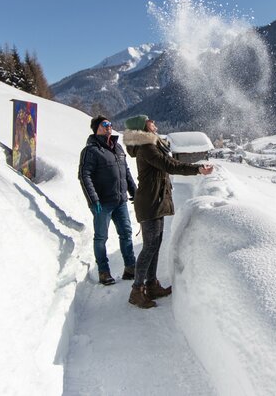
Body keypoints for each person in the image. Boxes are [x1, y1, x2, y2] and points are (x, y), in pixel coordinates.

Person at [123, 115, 214, 309]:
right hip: (150, 202)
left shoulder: (153, 145)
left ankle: (151, 284)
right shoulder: (147, 147)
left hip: (155, 200)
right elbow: (170, 165)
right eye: (149, 121)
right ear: (143, 127)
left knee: (154, 245)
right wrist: (198, 169)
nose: (154, 122)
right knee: (149, 247)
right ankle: (136, 290)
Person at [78, 115, 137, 285]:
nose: (109, 126)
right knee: (101, 237)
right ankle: (104, 271)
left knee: (126, 233)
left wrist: (134, 192)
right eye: (105, 124)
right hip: (102, 203)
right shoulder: (91, 150)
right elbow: (84, 175)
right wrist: (93, 199)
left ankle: (130, 267)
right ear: (97, 128)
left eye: (110, 124)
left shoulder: (117, 148)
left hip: (120, 200)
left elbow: (126, 173)